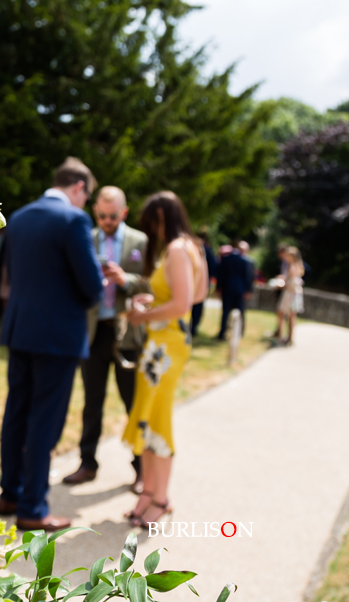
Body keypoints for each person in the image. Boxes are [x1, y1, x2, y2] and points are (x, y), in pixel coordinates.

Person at [0, 157, 104, 532]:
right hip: (58, 336)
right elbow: (91, 287)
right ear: (79, 188)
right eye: (86, 197)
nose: (85, 204)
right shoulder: (74, 220)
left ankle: (9, 493)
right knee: (45, 421)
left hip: (20, 328)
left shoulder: (20, 216)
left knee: (16, 412)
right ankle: (32, 507)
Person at [122, 191, 207, 528]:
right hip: (167, 342)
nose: (152, 232)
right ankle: (150, 493)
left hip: (165, 347)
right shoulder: (191, 247)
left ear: (160, 218)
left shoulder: (176, 249)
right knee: (150, 413)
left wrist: (143, 316)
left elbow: (183, 304)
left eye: (151, 224)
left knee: (157, 417)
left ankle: (160, 498)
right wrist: (155, 302)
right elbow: (197, 295)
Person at [63, 185, 149, 490]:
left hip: (129, 333)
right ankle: (87, 463)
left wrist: (127, 280)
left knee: (133, 403)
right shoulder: (87, 238)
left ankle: (142, 468)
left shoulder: (141, 241)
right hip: (94, 332)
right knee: (92, 402)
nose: (106, 220)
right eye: (101, 215)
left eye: (112, 216)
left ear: (123, 213)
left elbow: (153, 282)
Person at [215, 240, 255, 340]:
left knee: (225, 312)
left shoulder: (226, 259)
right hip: (240, 289)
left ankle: (222, 333)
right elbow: (247, 277)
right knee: (240, 311)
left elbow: (221, 276)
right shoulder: (244, 261)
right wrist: (248, 290)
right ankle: (239, 333)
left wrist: (218, 288)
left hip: (227, 288)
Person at [189, 229, 218, 337]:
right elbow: (213, 266)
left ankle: (189, 326)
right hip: (203, 281)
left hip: (190, 280)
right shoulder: (208, 250)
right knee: (198, 306)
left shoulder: (192, 247)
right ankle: (194, 328)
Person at [275, 246, 305, 345]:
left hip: (291, 293)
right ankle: (288, 337)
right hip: (293, 293)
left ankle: (287, 337)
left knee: (289, 315)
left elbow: (294, 282)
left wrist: (284, 283)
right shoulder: (296, 265)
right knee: (290, 315)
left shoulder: (292, 266)